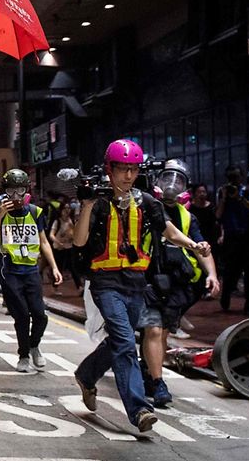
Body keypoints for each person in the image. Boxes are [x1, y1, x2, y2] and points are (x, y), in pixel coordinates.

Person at [72, 139, 205, 433]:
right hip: (105, 282)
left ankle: (86, 374)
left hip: (135, 283)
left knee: (120, 342)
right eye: (121, 169)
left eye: (132, 170)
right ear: (110, 170)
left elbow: (168, 230)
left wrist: (193, 244)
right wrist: (87, 205)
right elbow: (79, 242)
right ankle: (138, 409)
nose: (127, 176)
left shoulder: (145, 201)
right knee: (123, 341)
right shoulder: (99, 202)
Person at [136, 160, 220, 406]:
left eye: (179, 180)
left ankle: (150, 373)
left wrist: (212, 275)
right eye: (167, 178)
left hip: (173, 284)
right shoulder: (144, 207)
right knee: (152, 330)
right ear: (157, 180)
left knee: (161, 333)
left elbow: (201, 248)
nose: (172, 185)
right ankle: (158, 382)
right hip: (145, 279)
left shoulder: (187, 217)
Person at [0, 169, 62, 372]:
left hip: (31, 271)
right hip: (10, 272)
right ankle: (23, 355)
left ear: (26, 191)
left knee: (40, 315)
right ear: (5, 192)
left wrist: (54, 267)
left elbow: (44, 241)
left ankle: (34, 346)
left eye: (20, 190)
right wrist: (0, 216)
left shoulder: (35, 212)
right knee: (21, 316)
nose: (15, 195)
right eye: (11, 190)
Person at [216, 165, 249, 314]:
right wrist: (224, 199)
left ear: (241, 177)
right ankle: (226, 294)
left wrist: (240, 198)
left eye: (235, 177)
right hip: (231, 235)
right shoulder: (223, 192)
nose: (233, 181)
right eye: (230, 177)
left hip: (248, 235)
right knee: (230, 270)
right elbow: (218, 215)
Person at [50, 204, 80, 293]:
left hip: (69, 247)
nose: (67, 210)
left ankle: (79, 287)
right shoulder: (57, 221)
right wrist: (59, 242)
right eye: (65, 208)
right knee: (59, 267)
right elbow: (51, 235)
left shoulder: (71, 221)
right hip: (59, 248)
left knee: (73, 267)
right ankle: (55, 286)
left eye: (68, 208)